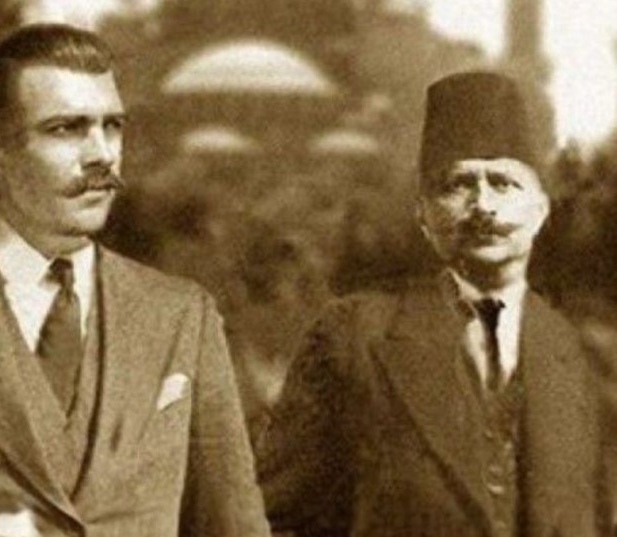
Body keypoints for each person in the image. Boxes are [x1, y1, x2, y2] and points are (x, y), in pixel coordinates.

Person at [0, 24, 270, 537]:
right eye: (65, 129)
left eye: (112, 126)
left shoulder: (182, 314)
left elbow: (234, 526)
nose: (101, 155)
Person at [256, 71, 613, 537]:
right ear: (423, 214)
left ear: (541, 209)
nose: (483, 206)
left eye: (504, 183)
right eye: (457, 185)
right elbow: (268, 521)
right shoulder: (354, 339)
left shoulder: (582, 355)